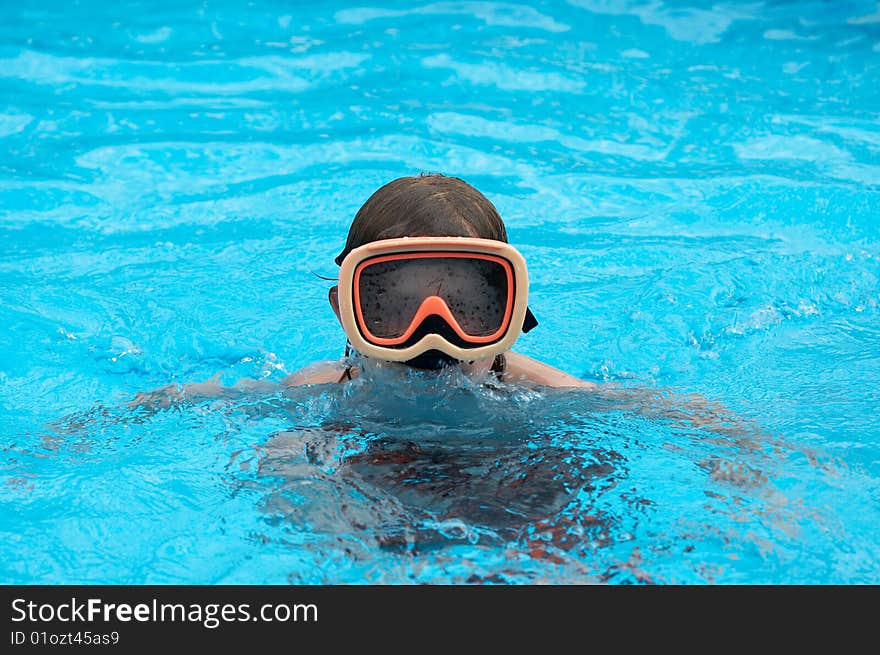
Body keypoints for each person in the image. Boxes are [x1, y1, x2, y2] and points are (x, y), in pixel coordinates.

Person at [283, 173, 594, 390]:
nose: (433, 337)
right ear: (345, 312)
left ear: (508, 312)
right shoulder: (315, 390)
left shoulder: (556, 393)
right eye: (398, 306)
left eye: (466, 306)